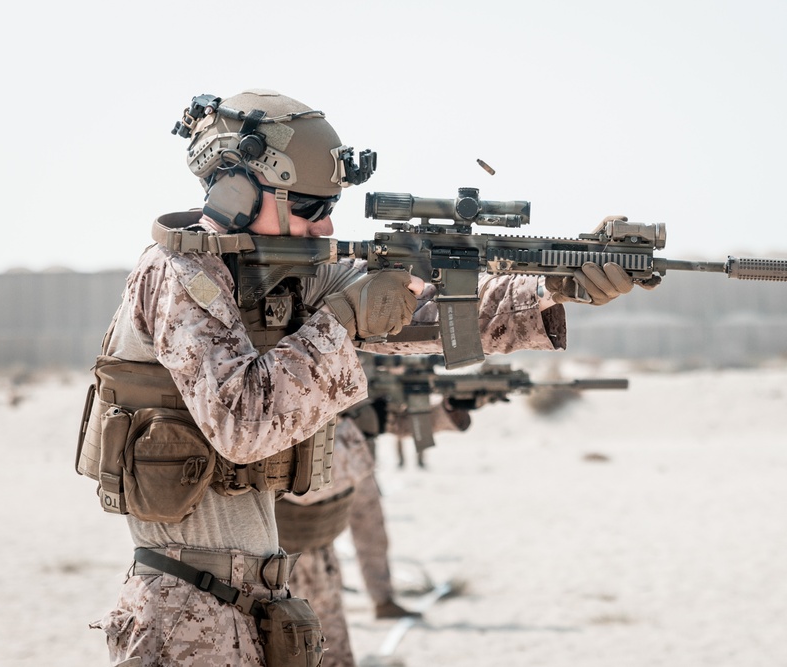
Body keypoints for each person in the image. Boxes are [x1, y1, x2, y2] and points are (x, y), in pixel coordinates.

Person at [75, 88, 651, 667]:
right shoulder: (178, 274)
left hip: (262, 602)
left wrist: (552, 287)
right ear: (236, 190)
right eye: (305, 204)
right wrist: (345, 318)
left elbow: (427, 316)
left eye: (329, 204)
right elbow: (242, 423)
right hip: (184, 615)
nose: (325, 222)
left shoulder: (284, 275)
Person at [275, 399, 468, 667]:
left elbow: (394, 422)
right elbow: (302, 488)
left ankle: (383, 597)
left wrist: (447, 412)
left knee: (331, 640)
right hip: (290, 537)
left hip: (327, 516)